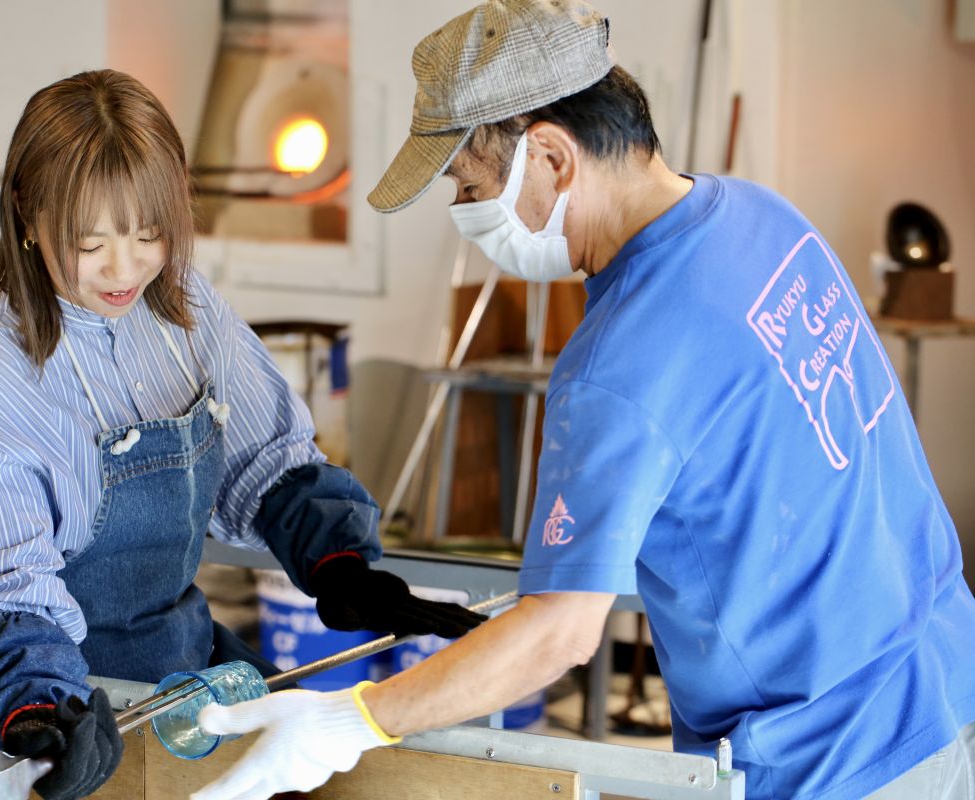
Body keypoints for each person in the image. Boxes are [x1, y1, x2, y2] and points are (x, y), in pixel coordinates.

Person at [189, 2, 975, 799]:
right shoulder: (764, 217)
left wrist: (352, 719)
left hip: (829, 760)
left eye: (470, 185)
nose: (464, 214)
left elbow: (559, 635)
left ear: (553, 157)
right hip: (941, 682)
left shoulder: (619, 363)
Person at [0, 69, 484, 800]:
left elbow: (264, 459)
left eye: (149, 233)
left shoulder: (180, 309)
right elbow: (3, 588)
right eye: (90, 242)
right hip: (75, 707)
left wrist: (340, 564)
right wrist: (38, 712)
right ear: (27, 211)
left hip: (184, 666)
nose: (125, 269)